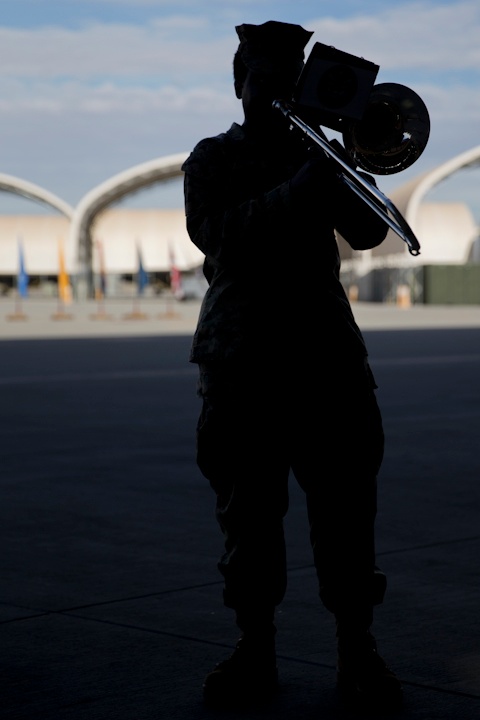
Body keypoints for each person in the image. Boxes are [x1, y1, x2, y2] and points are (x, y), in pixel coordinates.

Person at [181, 20, 403, 712]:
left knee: (347, 511)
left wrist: (350, 161)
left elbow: (369, 231)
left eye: (288, 79)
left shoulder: (321, 154)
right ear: (240, 83)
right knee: (249, 517)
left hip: (325, 356)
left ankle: (357, 647)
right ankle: (255, 646)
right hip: (244, 357)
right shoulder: (213, 157)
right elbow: (215, 236)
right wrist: (300, 189)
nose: (274, 91)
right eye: (262, 79)